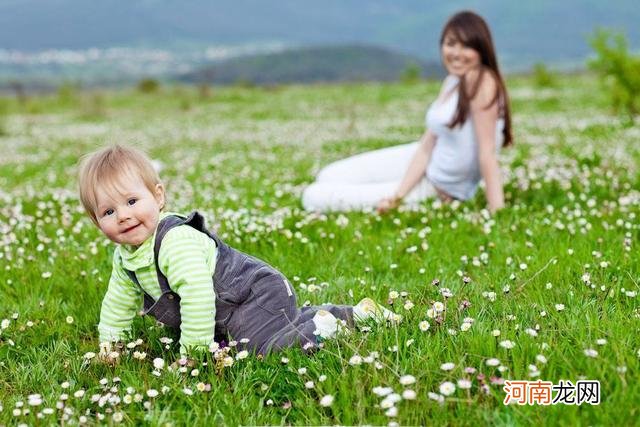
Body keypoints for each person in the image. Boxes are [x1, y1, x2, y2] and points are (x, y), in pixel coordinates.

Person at [77, 145, 399, 358]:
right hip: (229, 311)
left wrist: (194, 353)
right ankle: (346, 313)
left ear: (158, 197)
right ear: (96, 221)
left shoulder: (174, 242)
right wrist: (110, 344)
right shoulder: (126, 259)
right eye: (108, 212)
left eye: (132, 201)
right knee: (249, 340)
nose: (123, 215)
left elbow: (199, 296)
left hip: (253, 294)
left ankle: (330, 325)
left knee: (263, 349)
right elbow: (117, 303)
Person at [302, 10, 512, 214]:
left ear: (482, 50)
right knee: (328, 175)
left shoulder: (482, 83)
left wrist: (497, 212)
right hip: (420, 160)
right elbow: (426, 146)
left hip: (438, 186)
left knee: (313, 196)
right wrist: (399, 194)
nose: (456, 53)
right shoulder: (452, 82)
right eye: (450, 44)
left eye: (466, 46)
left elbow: (487, 153)